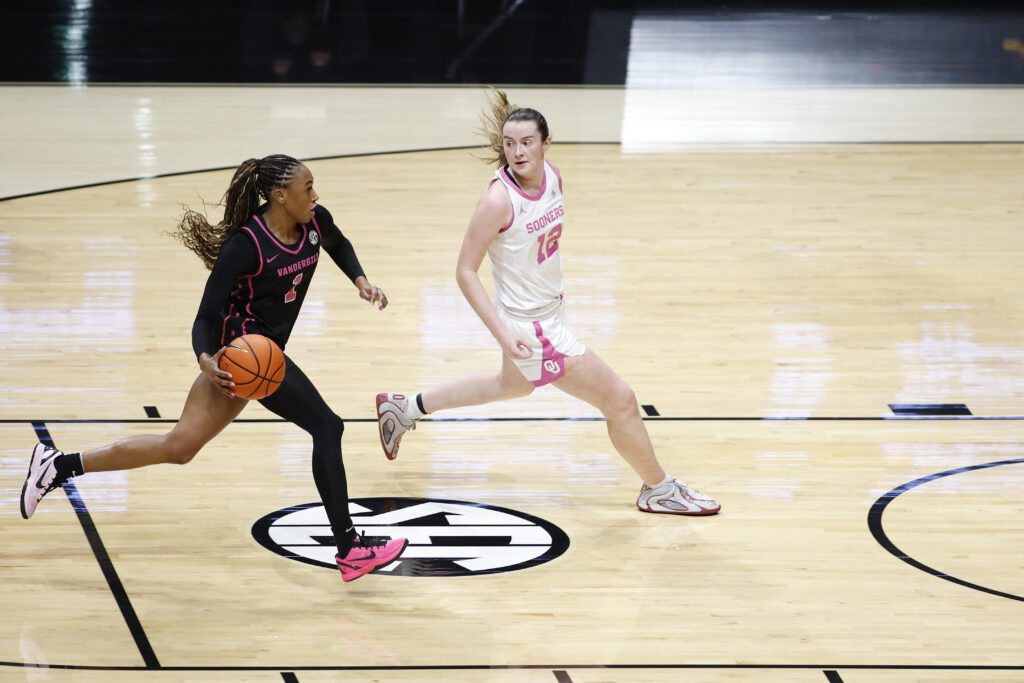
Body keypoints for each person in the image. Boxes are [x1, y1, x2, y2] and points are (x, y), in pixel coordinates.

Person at [20, 154, 407, 582]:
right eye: (308, 187)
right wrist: (205, 359)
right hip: (238, 355)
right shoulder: (247, 244)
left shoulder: (315, 222)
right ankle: (349, 547)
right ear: (280, 195)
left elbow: (338, 243)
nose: (315, 195)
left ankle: (58, 465)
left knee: (179, 447)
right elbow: (205, 316)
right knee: (327, 427)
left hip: (261, 356)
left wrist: (360, 279)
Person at [375, 92, 721, 516]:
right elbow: (465, 271)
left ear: (545, 144)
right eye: (509, 143)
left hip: (549, 313)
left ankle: (404, 407)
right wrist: (504, 334)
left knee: (511, 386)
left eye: (526, 142)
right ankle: (658, 488)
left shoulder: (554, 178)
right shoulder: (497, 200)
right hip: (532, 329)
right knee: (621, 401)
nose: (517, 151)